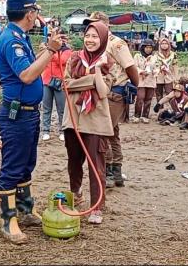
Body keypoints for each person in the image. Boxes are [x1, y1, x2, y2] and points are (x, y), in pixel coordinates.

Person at [0, 0, 63, 244]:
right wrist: (51, 51)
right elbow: (26, 74)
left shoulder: (20, 37)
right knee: (12, 167)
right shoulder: (11, 40)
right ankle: (8, 220)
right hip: (16, 115)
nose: (37, 15)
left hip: (28, 114)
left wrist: (47, 50)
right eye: (35, 11)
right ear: (29, 13)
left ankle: (25, 210)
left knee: (26, 164)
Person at [62, 21, 113, 225]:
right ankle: (76, 192)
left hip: (96, 122)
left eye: (95, 37)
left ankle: (97, 206)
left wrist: (97, 73)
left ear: (102, 39)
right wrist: (90, 80)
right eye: (88, 36)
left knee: (96, 165)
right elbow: (66, 84)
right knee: (74, 162)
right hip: (73, 119)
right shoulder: (74, 58)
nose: (90, 40)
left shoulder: (108, 62)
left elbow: (102, 91)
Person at [82, 12, 139, 190]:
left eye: (95, 24)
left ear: (106, 25)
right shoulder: (99, 43)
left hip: (115, 91)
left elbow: (130, 67)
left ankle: (106, 172)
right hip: (103, 91)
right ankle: (116, 172)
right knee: (112, 132)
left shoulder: (116, 43)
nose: (92, 29)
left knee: (103, 133)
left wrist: (135, 88)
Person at [39, 30, 72, 142]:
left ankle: (62, 131)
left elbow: (62, 61)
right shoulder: (47, 49)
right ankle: (45, 131)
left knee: (61, 109)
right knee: (46, 108)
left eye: (62, 38)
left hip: (60, 82)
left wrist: (50, 51)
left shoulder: (67, 51)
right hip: (47, 81)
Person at [131, 39, 158, 123]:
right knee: (140, 98)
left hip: (150, 80)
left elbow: (157, 67)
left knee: (149, 99)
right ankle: (137, 115)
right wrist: (141, 71)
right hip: (141, 80)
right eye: (146, 47)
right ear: (143, 47)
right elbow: (135, 66)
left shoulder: (154, 57)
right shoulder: (137, 56)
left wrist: (155, 71)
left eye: (150, 47)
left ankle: (145, 115)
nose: (148, 49)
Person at [154, 37, 178, 102]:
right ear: (160, 45)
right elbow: (154, 66)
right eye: (162, 43)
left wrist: (176, 77)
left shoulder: (173, 54)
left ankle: (174, 109)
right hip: (159, 78)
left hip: (169, 77)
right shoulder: (156, 54)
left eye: (166, 43)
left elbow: (175, 66)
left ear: (168, 44)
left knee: (170, 93)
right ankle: (160, 109)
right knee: (159, 95)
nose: (164, 45)